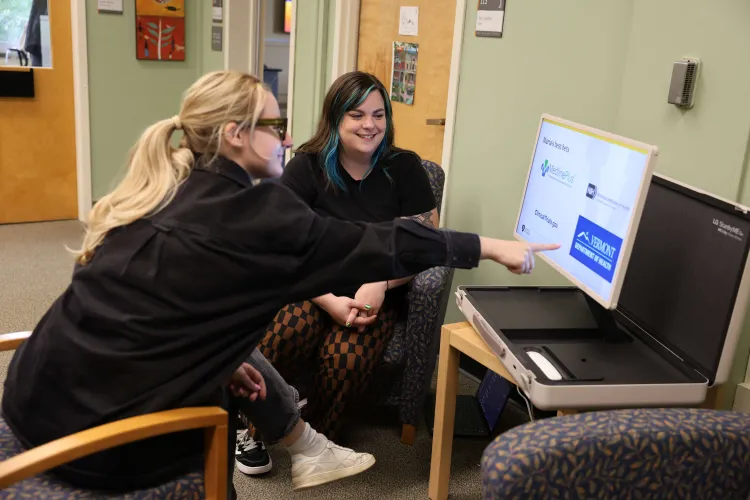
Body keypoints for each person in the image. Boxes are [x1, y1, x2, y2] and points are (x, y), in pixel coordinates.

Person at [1, 70, 557, 495]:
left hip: (32, 397)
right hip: (94, 447)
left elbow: (147, 311)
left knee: (239, 371)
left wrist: (221, 358)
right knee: (213, 412)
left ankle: (301, 439)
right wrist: (488, 246)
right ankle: (299, 440)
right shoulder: (255, 213)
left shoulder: (164, 187)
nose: (286, 135)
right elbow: (380, 244)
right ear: (236, 135)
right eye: (273, 125)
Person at [236, 72, 443, 472]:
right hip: (314, 288)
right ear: (336, 119)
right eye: (357, 115)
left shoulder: (405, 167)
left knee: (345, 359)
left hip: (374, 295)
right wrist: (328, 300)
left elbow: (421, 243)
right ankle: (252, 429)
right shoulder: (306, 167)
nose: (370, 125)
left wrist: (380, 283)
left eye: (379, 115)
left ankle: (318, 439)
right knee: (286, 331)